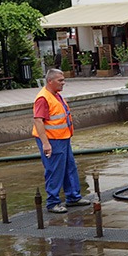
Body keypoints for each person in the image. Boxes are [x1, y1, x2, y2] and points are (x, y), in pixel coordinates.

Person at [32, 68, 90, 214]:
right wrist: (46, 144)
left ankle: (73, 197)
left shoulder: (56, 95)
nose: (63, 83)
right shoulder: (43, 98)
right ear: (50, 81)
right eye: (60, 80)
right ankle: (52, 202)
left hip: (62, 138)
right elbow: (38, 121)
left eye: (63, 80)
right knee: (55, 170)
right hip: (52, 140)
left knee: (70, 167)